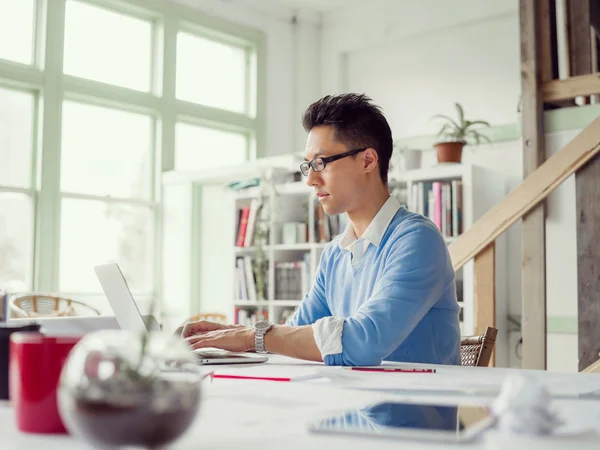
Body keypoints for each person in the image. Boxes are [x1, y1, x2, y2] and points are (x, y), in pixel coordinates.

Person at [182, 93, 461, 366]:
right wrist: (227, 336)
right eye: (308, 166)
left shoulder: (417, 240)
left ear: (367, 161)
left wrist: (248, 336)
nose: (311, 180)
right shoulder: (335, 255)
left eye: (321, 163)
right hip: (347, 407)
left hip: (408, 410)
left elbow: (364, 341)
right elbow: (292, 335)